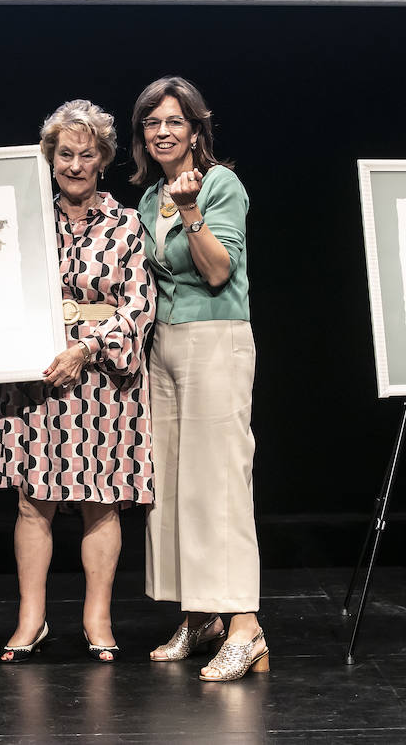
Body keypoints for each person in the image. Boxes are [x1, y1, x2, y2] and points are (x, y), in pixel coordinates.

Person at [0, 99, 156, 663]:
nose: (76, 165)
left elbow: (138, 307)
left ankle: (98, 619)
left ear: (103, 158)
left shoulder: (128, 224)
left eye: (87, 155)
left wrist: (85, 348)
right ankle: (30, 620)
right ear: (49, 158)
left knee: (101, 501)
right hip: (35, 375)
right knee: (32, 501)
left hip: (103, 379)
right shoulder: (22, 219)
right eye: (65, 155)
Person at [133, 76, 267, 682]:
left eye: (173, 122)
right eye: (152, 124)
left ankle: (245, 627)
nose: (163, 132)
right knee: (176, 485)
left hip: (216, 340)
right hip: (164, 346)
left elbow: (217, 271)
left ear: (195, 129)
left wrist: (190, 212)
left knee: (220, 485)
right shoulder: (145, 199)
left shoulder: (219, 185)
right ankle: (201, 615)